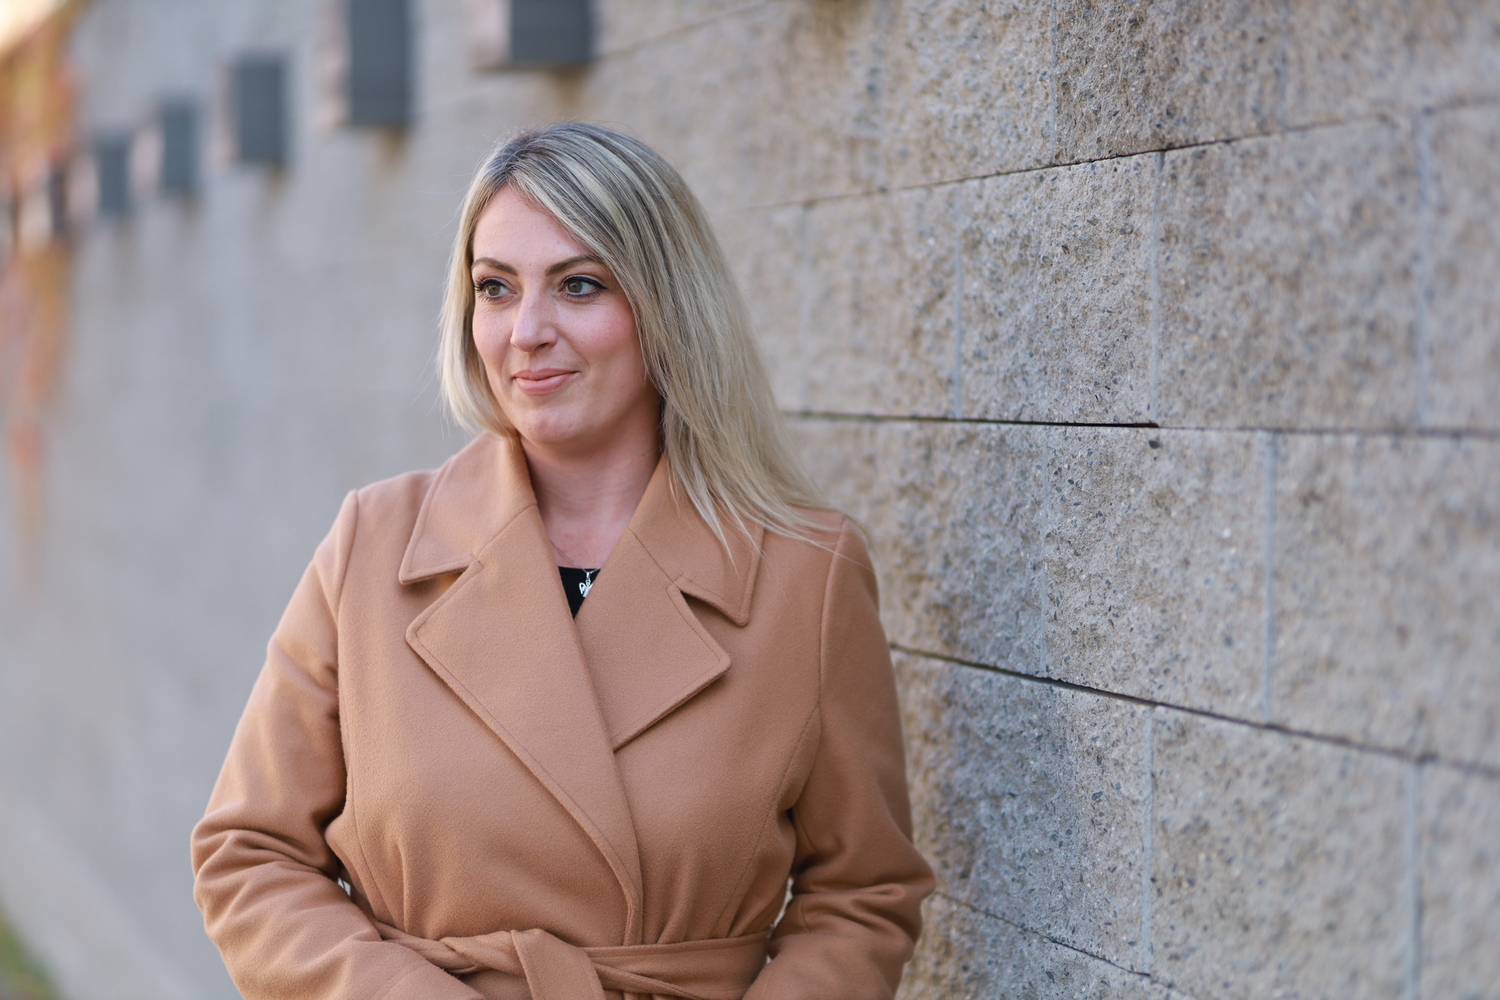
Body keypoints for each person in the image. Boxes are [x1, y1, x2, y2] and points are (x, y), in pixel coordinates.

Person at [190, 122, 932, 1000]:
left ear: (665, 304)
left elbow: (862, 896)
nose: (526, 331)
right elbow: (249, 854)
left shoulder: (805, 574)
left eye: (579, 285)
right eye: (495, 289)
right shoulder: (374, 546)